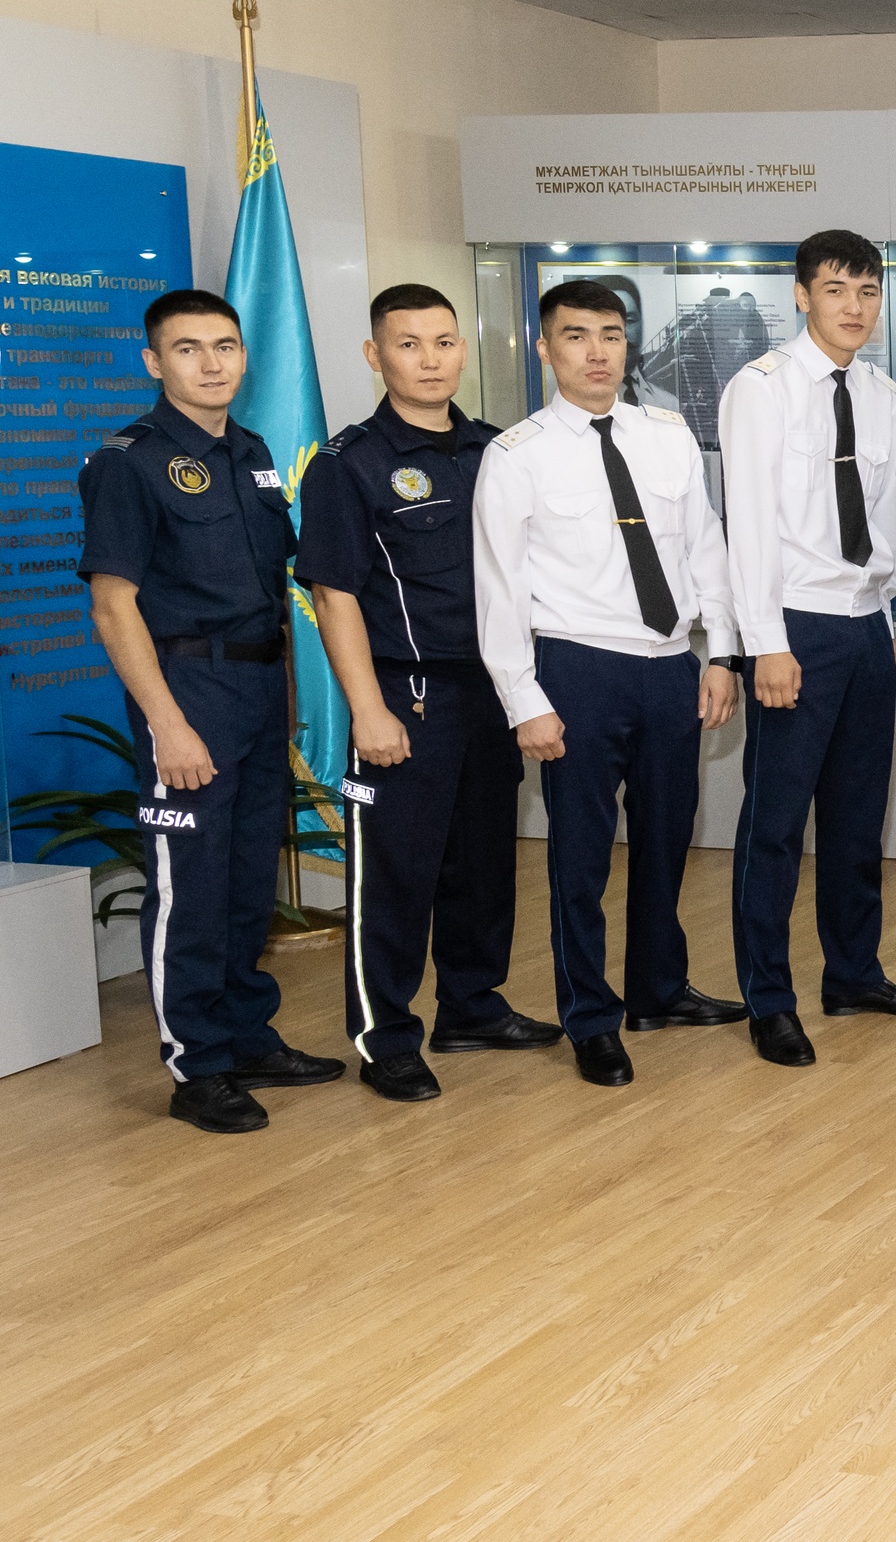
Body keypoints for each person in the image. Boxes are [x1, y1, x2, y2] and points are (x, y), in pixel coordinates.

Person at [475, 279, 744, 1089]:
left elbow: (706, 548)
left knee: (668, 844)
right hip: (576, 669)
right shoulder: (516, 454)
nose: (597, 352)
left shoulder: (666, 435)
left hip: (669, 668)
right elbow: (500, 589)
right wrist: (526, 700)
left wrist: (722, 653)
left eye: (611, 334)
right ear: (544, 347)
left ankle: (658, 991)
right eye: (576, 336)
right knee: (581, 860)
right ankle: (590, 1017)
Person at [79, 289, 334, 1133]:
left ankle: (246, 1036)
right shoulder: (130, 460)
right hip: (187, 692)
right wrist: (167, 724)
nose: (212, 363)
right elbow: (115, 607)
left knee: (247, 875)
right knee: (189, 885)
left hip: (261, 693)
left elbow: (274, 591)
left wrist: (288, 703)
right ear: (154, 363)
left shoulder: (253, 451)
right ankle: (196, 1064)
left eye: (224, 346)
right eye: (188, 349)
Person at [298, 283, 554, 1105]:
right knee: (397, 875)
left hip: (494, 687)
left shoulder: (497, 449)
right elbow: (333, 595)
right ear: (375, 355)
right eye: (409, 344)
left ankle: (472, 1005)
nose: (430, 358)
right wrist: (365, 708)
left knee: (483, 863)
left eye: (444, 342)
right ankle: (386, 1036)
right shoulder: (350, 464)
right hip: (404, 694)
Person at [716, 229, 896, 1071]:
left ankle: (854, 972)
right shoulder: (760, 389)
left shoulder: (881, 392)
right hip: (794, 626)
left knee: (856, 817)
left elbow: (892, 518)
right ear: (801, 295)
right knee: (775, 824)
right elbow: (749, 528)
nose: (855, 308)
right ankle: (769, 998)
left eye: (869, 292)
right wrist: (762, 644)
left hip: (866, 623)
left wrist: (887, 606)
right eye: (838, 290)